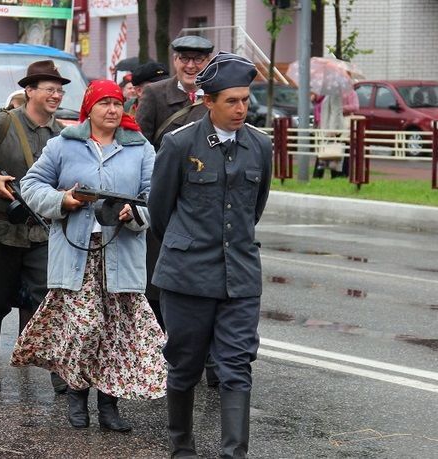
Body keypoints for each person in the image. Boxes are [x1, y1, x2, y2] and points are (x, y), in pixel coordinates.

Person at [11, 79, 165, 432]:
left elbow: (155, 195)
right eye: (104, 104)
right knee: (82, 329)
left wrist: (134, 213)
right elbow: (31, 186)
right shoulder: (63, 145)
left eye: (117, 103)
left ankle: (109, 406)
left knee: (114, 333)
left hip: (120, 256)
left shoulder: (140, 148)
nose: (112, 110)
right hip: (76, 255)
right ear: (89, 109)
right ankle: (77, 396)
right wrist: (62, 201)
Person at [148, 52, 272, 458]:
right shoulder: (179, 143)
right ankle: (181, 447)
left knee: (237, 366)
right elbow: (161, 211)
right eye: (231, 101)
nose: (241, 108)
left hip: (240, 275)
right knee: (184, 366)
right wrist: (191, 246)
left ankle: (233, 454)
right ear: (208, 102)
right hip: (188, 276)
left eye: (245, 100)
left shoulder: (260, 146)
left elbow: (254, 208)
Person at [0, 60, 69, 391]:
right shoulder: (0, 124)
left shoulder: (62, 134)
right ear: (29, 90)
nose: (56, 95)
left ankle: (56, 368)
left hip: (42, 231)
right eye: (50, 89)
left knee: (49, 298)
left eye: (60, 90)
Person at [136, 35, 214, 149]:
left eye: (198, 59)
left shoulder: (218, 95)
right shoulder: (154, 93)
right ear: (175, 60)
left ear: (208, 62)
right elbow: (141, 144)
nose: (191, 65)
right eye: (184, 58)